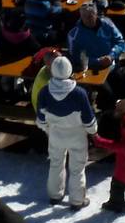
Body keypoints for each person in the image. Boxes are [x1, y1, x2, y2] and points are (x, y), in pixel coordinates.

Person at [36, 56, 98, 210]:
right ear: (70, 70)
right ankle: (77, 200)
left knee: (55, 164)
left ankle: (55, 195)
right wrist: (93, 131)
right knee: (77, 169)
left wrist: (47, 129)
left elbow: (41, 119)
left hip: (56, 135)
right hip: (77, 136)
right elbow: (88, 119)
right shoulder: (79, 93)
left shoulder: (44, 92)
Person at [68, 0, 125, 109]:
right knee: (108, 94)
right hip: (92, 70)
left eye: (91, 16)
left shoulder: (107, 24)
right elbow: (76, 58)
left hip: (111, 64)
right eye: (85, 16)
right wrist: (97, 61)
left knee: (124, 87)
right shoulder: (74, 34)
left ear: (96, 14)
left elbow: (120, 42)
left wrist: (111, 55)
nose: (88, 19)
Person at [31, 46, 61, 111]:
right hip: (42, 111)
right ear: (48, 64)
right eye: (57, 62)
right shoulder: (46, 82)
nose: (61, 64)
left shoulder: (44, 68)